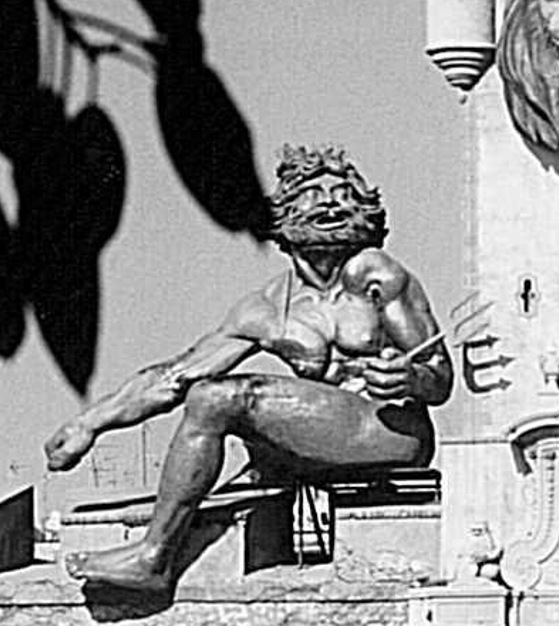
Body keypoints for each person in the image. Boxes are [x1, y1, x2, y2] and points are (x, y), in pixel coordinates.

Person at [43, 145, 453, 592]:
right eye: (313, 194)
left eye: (343, 194)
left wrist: (410, 378)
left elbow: (440, 375)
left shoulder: (376, 275)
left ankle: (153, 558)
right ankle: (164, 543)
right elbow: (176, 376)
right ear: (286, 213)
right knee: (207, 404)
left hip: (389, 432)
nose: (332, 203)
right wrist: (90, 423)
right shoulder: (266, 309)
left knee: (217, 399)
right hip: (316, 440)